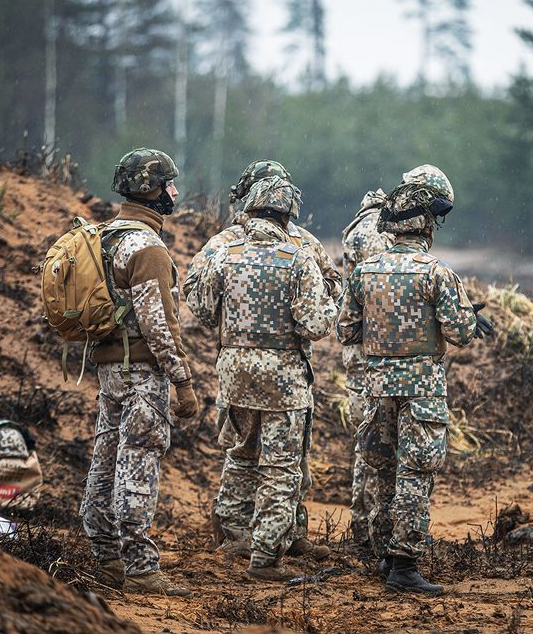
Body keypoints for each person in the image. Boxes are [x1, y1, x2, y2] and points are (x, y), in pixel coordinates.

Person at [337, 164, 492, 595]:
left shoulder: (365, 272)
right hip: (422, 390)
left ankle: (385, 554)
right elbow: (461, 334)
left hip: (378, 387)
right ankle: (403, 565)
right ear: (425, 225)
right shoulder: (436, 272)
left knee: (383, 471)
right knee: (414, 473)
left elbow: (344, 330)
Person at [184, 159, 340, 560]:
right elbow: (322, 310)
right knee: (276, 459)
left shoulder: (229, 248)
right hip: (285, 369)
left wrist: (235, 326)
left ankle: (282, 533)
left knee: (265, 455)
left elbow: (197, 298)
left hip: (238, 367)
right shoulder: (292, 247)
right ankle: (252, 541)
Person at [80, 148, 198, 596]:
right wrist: (182, 380)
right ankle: (141, 567)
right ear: (151, 188)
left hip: (109, 367)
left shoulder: (105, 236)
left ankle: (105, 554)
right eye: (168, 184)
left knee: (105, 457)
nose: (174, 192)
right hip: (142, 373)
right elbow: (158, 322)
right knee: (138, 460)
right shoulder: (146, 246)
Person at [341, 189, 394, 547]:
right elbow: (383, 295)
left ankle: (364, 528)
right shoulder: (373, 234)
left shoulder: (361, 230)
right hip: (370, 354)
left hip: (366, 352)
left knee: (369, 441)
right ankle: (369, 530)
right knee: (374, 442)